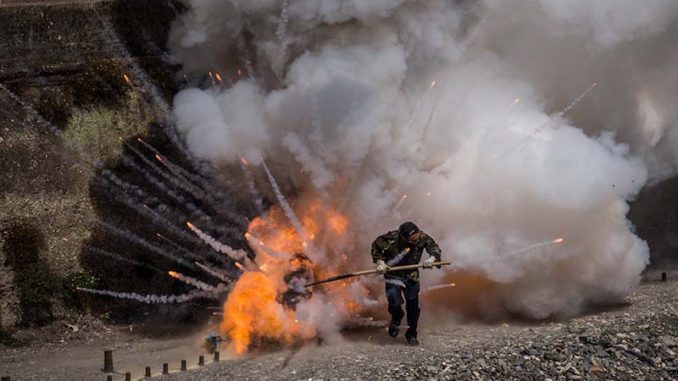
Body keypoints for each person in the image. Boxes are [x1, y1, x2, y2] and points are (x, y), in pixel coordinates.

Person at [371, 221, 442, 345]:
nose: (416, 240)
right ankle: (396, 318)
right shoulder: (391, 238)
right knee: (394, 303)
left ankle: (411, 334)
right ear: (403, 237)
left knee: (413, 308)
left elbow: (434, 247)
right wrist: (379, 262)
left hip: (411, 276)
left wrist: (432, 258)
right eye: (412, 239)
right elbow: (376, 246)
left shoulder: (422, 236)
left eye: (417, 237)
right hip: (393, 275)